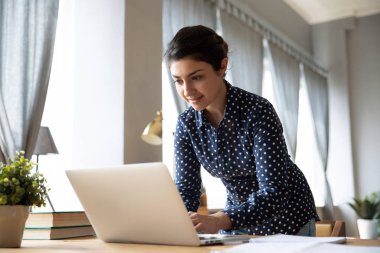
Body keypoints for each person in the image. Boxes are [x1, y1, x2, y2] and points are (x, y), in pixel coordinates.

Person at [164, 25, 319, 236]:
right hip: (235, 217)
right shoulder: (186, 124)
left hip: (287, 216)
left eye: (196, 77)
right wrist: (171, 224)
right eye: (179, 81)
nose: (187, 91)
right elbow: (186, 191)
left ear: (221, 66)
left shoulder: (257, 111)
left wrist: (219, 220)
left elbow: (274, 192)